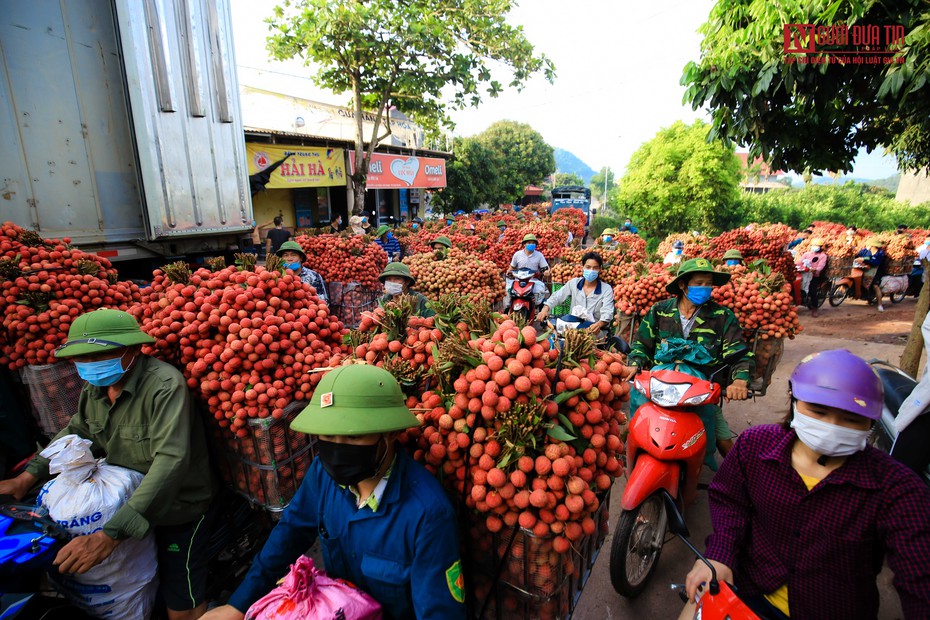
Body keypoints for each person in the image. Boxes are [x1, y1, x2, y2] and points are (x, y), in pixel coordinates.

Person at [202, 365, 466, 620]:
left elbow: (438, 612)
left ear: (390, 433)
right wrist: (239, 603)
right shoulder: (322, 474)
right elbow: (290, 533)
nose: (337, 450)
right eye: (329, 435)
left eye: (353, 437)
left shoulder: (428, 516)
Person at [0, 309, 216, 620]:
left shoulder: (165, 385)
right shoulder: (96, 388)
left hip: (179, 506)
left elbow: (170, 462)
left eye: (100, 355)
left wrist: (110, 535)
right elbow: (77, 431)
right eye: (82, 358)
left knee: (180, 608)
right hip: (123, 497)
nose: (90, 365)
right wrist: (25, 478)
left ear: (133, 350)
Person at [684, 350, 930, 620]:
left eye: (851, 418)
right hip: (746, 593)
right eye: (818, 411)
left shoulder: (897, 488)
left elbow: (920, 573)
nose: (832, 426)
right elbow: (730, 500)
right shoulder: (754, 446)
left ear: (871, 421)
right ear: (794, 401)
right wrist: (720, 554)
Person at [626, 258, 753, 457]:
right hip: (661, 384)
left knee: (720, 435)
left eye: (708, 284)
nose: (705, 289)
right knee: (635, 422)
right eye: (699, 284)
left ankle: (740, 479)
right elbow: (642, 344)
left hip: (699, 389)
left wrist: (739, 380)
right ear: (683, 285)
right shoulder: (660, 311)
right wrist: (634, 364)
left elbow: (738, 353)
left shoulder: (722, 316)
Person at [536, 252, 615, 337]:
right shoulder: (574, 283)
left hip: (594, 331)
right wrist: (545, 309)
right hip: (572, 328)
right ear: (583, 267)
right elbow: (557, 296)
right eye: (588, 267)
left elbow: (608, 313)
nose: (591, 270)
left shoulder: (606, 289)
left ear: (599, 269)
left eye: (595, 268)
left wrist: (598, 325)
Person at [506, 234, 550, 309]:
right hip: (519, 280)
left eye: (533, 243)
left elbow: (546, 268)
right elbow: (512, 267)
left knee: (539, 294)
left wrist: (547, 272)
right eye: (529, 243)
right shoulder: (517, 255)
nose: (531, 244)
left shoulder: (539, 255)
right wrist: (509, 272)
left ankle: (541, 314)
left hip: (533, 280)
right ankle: (507, 310)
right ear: (524, 244)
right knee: (508, 293)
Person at [853, 238, 888, 311]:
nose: (867, 245)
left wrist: (864, 259)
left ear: (873, 246)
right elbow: (858, 256)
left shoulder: (880, 253)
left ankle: (880, 305)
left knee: (875, 286)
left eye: (869, 244)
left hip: (877, 271)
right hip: (864, 269)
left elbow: (875, 261)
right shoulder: (865, 251)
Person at [798, 239, 828, 317]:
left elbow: (821, 266)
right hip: (804, 273)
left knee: (812, 290)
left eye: (817, 246)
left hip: (814, 275)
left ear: (820, 247)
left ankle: (815, 309)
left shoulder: (823, 256)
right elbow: (800, 262)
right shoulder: (806, 254)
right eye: (813, 246)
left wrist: (815, 270)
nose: (814, 247)